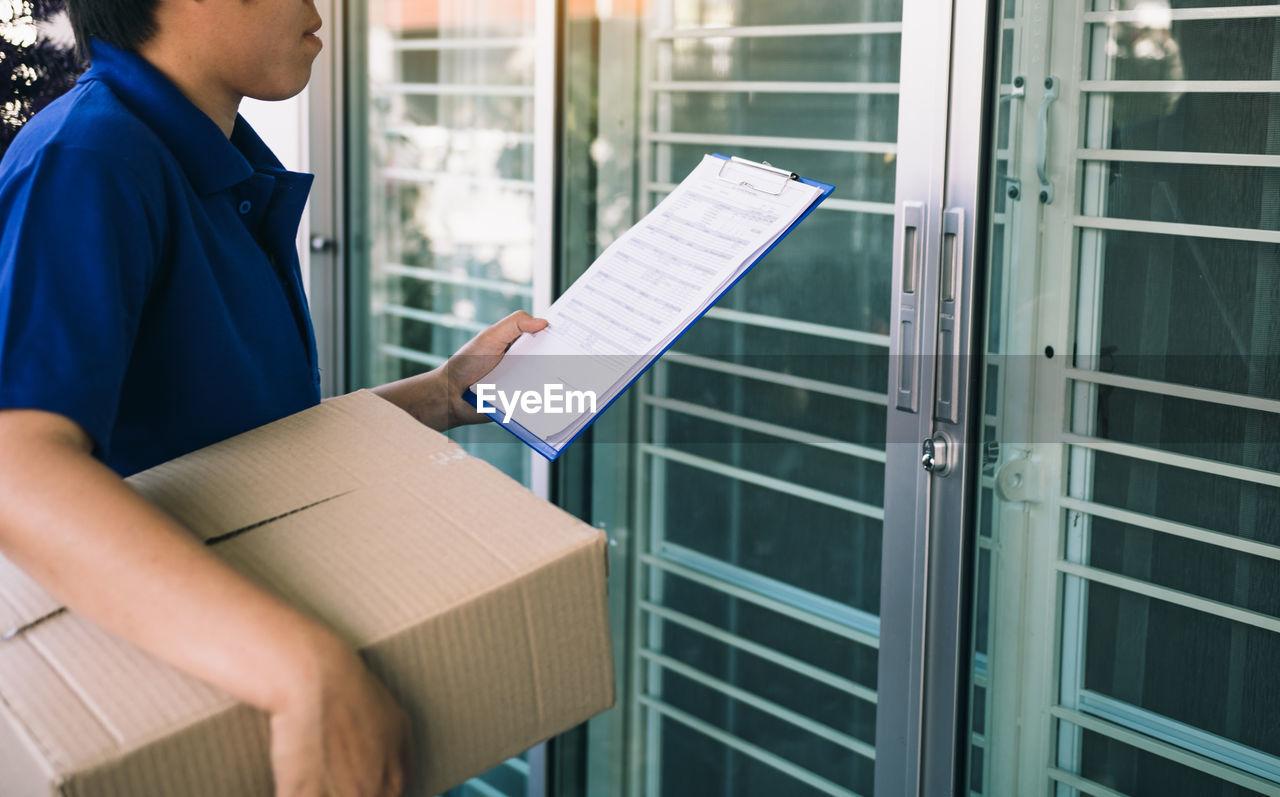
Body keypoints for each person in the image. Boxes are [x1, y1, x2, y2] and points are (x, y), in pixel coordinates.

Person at [0, 1, 547, 795]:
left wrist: (442, 394)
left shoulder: (208, 159)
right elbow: (17, 468)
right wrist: (304, 669)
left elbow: (243, 448)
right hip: (181, 707)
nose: (319, 7)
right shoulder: (92, 158)